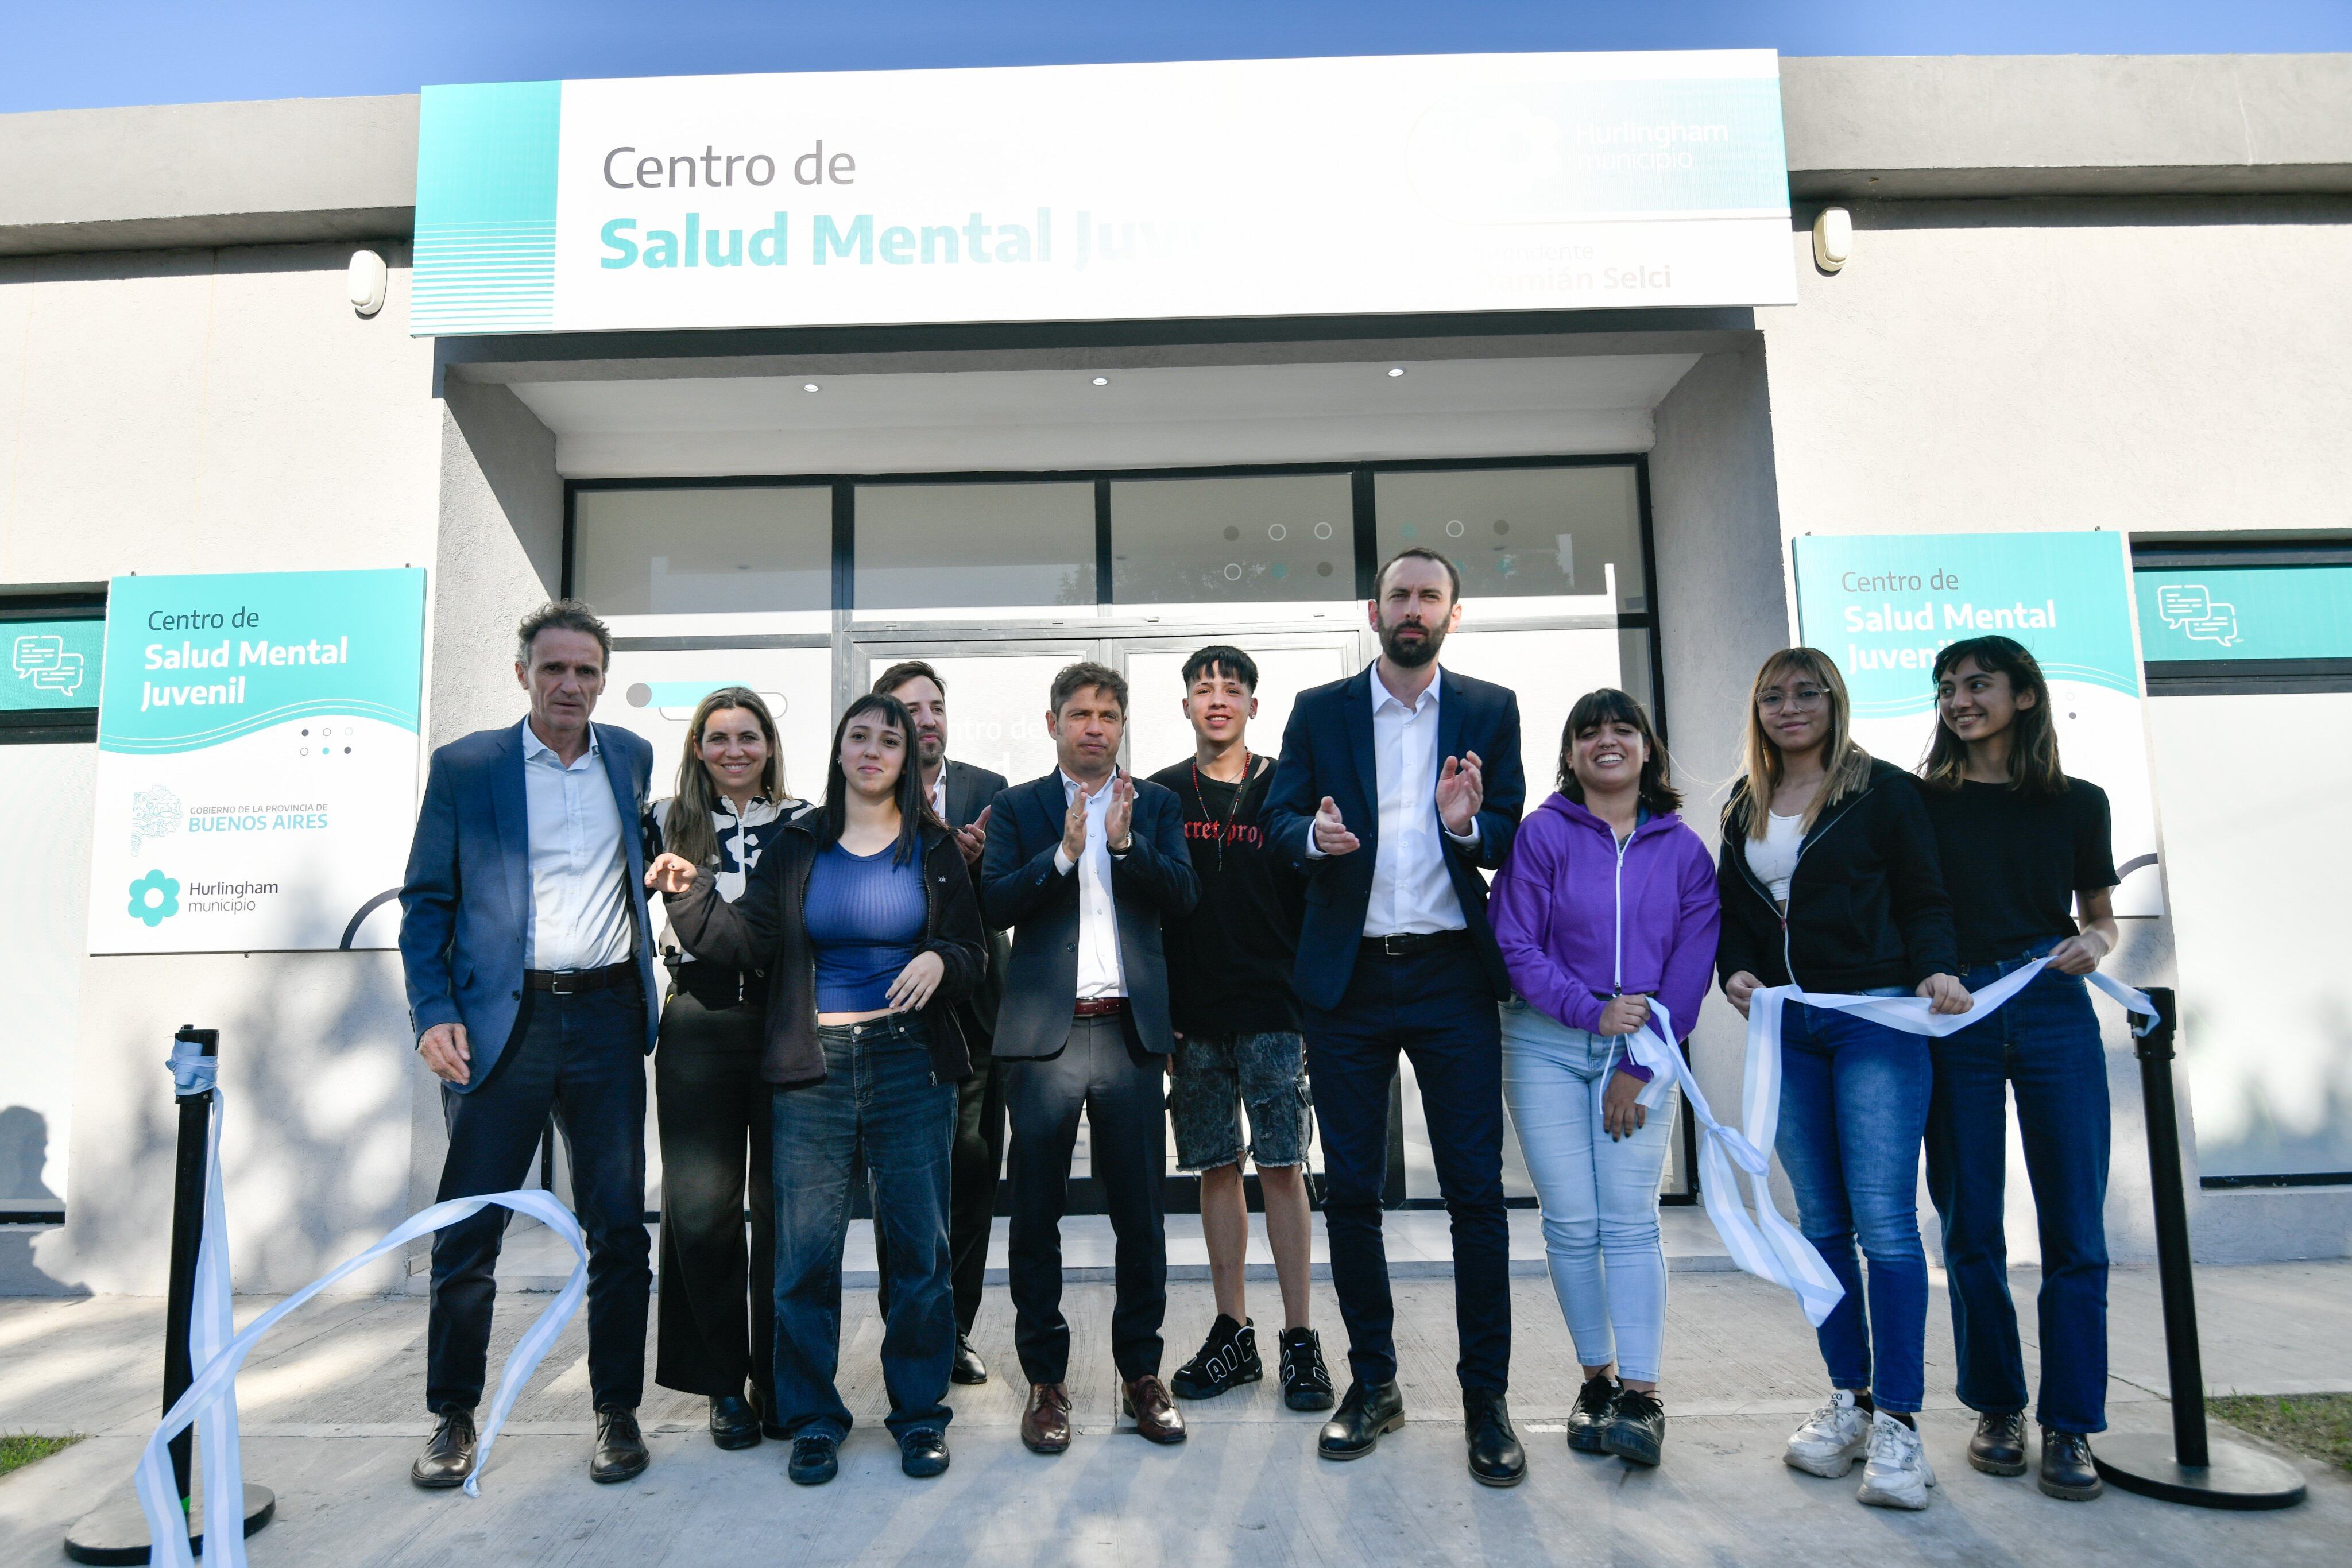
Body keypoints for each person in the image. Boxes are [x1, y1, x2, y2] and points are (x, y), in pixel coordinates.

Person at [652, 692, 984, 1485]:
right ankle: (810, 1416)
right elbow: (747, 941)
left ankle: (918, 1414)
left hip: (909, 1061)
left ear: (908, 758)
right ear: (839, 752)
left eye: (889, 739)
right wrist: (688, 892)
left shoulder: (933, 846)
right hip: (814, 1064)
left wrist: (942, 959)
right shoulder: (799, 843)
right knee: (803, 1253)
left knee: (918, 1251)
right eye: (859, 736)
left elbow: (971, 945)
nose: (873, 749)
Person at [1262, 547, 1530, 1487]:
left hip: (1452, 974)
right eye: (1398, 596)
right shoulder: (1317, 711)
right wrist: (1312, 837)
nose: (1412, 608)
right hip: (1350, 982)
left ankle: (1483, 1397)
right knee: (1354, 1194)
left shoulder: (1490, 710)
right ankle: (1373, 1381)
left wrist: (1466, 823)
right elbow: (1276, 818)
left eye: (1429, 596)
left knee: (1474, 1194)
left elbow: (1507, 824)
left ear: (1453, 615)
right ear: (1371, 612)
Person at [397, 599, 661, 1489]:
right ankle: (451, 1414)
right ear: (523, 673)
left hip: (609, 1018)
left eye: (587, 670)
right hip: (500, 1027)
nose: (571, 685)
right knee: (470, 1229)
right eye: (554, 668)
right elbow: (426, 902)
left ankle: (616, 1410)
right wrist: (433, 1009)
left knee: (619, 1225)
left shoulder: (629, 757)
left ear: (602, 677)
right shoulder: (468, 767)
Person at [1716, 646, 1970, 1512]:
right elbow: (1735, 920)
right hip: (1789, 1028)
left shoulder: (1881, 790)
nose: (1790, 706)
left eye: (1806, 691)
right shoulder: (1742, 804)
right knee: (1819, 1222)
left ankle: (1901, 1423)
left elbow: (1926, 894)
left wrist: (1936, 968)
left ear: (1834, 700)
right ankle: (1851, 1400)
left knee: (1886, 1225)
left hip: (1877, 1017)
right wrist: (1735, 973)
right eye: (1774, 694)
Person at [1488, 688, 1719, 1469]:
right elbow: (1515, 940)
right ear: (1572, 753)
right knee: (1571, 1219)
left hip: (1643, 1051)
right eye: (1590, 732)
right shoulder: (1543, 834)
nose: (1607, 740)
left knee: (1629, 1219)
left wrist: (1638, 1059)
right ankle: (1597, 1378)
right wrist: (1590, 1014)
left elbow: (1691, 968)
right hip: (1546, 1042)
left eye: (1623, 728)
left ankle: (1643, 1395)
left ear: (1647, 748)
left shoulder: (1683, 848)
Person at [1917, 636, 2121, 1503]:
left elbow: (2102, 916)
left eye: (1978, 684)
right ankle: (1998, 1405)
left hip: (2051, 1007)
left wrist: (2095, 942)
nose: (1960, 699)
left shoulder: (2079, 802)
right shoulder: (1918, 801)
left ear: (2025, 696)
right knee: (1971, 1225)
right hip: (1957, 1009)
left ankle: (2070, 1423)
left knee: (2076, 1227)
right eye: (1948, 688)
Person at [980, 663, 1200, 1454]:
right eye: (1081, 713)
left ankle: (1142, 1372)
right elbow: (993, 902)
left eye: (1109, 713)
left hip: (1131, 1035)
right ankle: (1046, 1380)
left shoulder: (1158, 805)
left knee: (1140, 1214)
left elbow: (1185, 896)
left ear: (1123, 723)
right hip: (1046, 1038)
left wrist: (1125, 845)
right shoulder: (1016, 806)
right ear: (1054, 723)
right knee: (1036, 1216)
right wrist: (1065, 856)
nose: (1095, 726)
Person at [1146, 645, 1334, 1411]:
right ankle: (1234, 1330)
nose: (1217, 698)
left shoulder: (1289, 788)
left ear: (1255, 705)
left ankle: (1300, 1336)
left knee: (1284, 1167)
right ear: (1187, 705)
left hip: (1273, 1008)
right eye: (1203, 688)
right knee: (1217, 1168)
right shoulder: (1162, 794)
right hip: (1195, 1016)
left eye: (1232, 688)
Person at [644, 687, 807, 1450]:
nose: (735, 749)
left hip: (783, 1020)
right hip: (699, 1022)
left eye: (749, 735)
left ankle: (780, 1377)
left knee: (783, 1209)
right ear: (698, 748)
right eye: (719, 737)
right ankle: (720, 1385)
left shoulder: (807, 820)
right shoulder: (660, 819)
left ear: (769, 745)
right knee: (702, 1209)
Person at [869, 660, 1010, 1388]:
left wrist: (982, 868)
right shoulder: (867, 796)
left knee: (974, 1175)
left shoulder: (991, 792)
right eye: (908, 708)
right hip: (897, 1018)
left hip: (980, 1018)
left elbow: (1019, 897)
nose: (925, 718)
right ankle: (906, 1323)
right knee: (905, 1185)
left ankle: (953, 1329)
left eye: (934, 706)